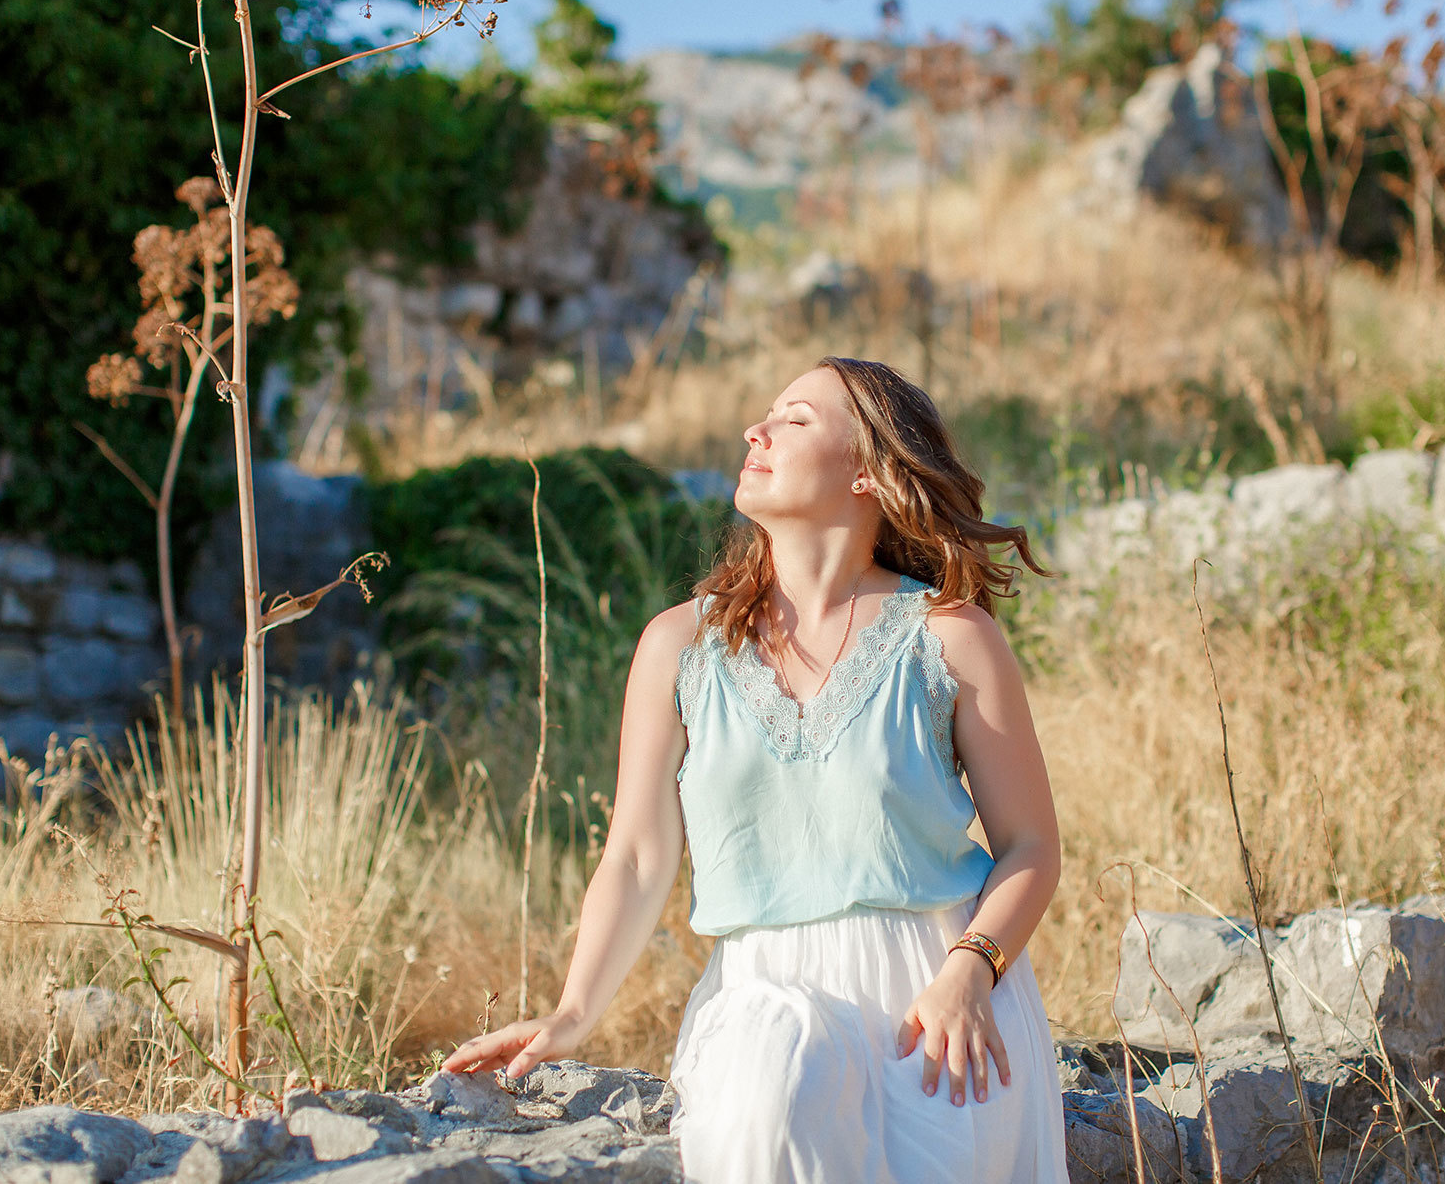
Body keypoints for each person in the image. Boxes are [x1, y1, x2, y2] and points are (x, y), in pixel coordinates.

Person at [443, 356, 1068, 1183]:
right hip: (761, 993)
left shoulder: (949, 637)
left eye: (797, 419)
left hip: (941, 1003)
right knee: (770, 1102)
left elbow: (1030, 845)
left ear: (871, 471)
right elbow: (635, 853)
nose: (756, 430)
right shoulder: (680, 644)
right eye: (766, 413)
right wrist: (573, 1009)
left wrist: (970, 971)